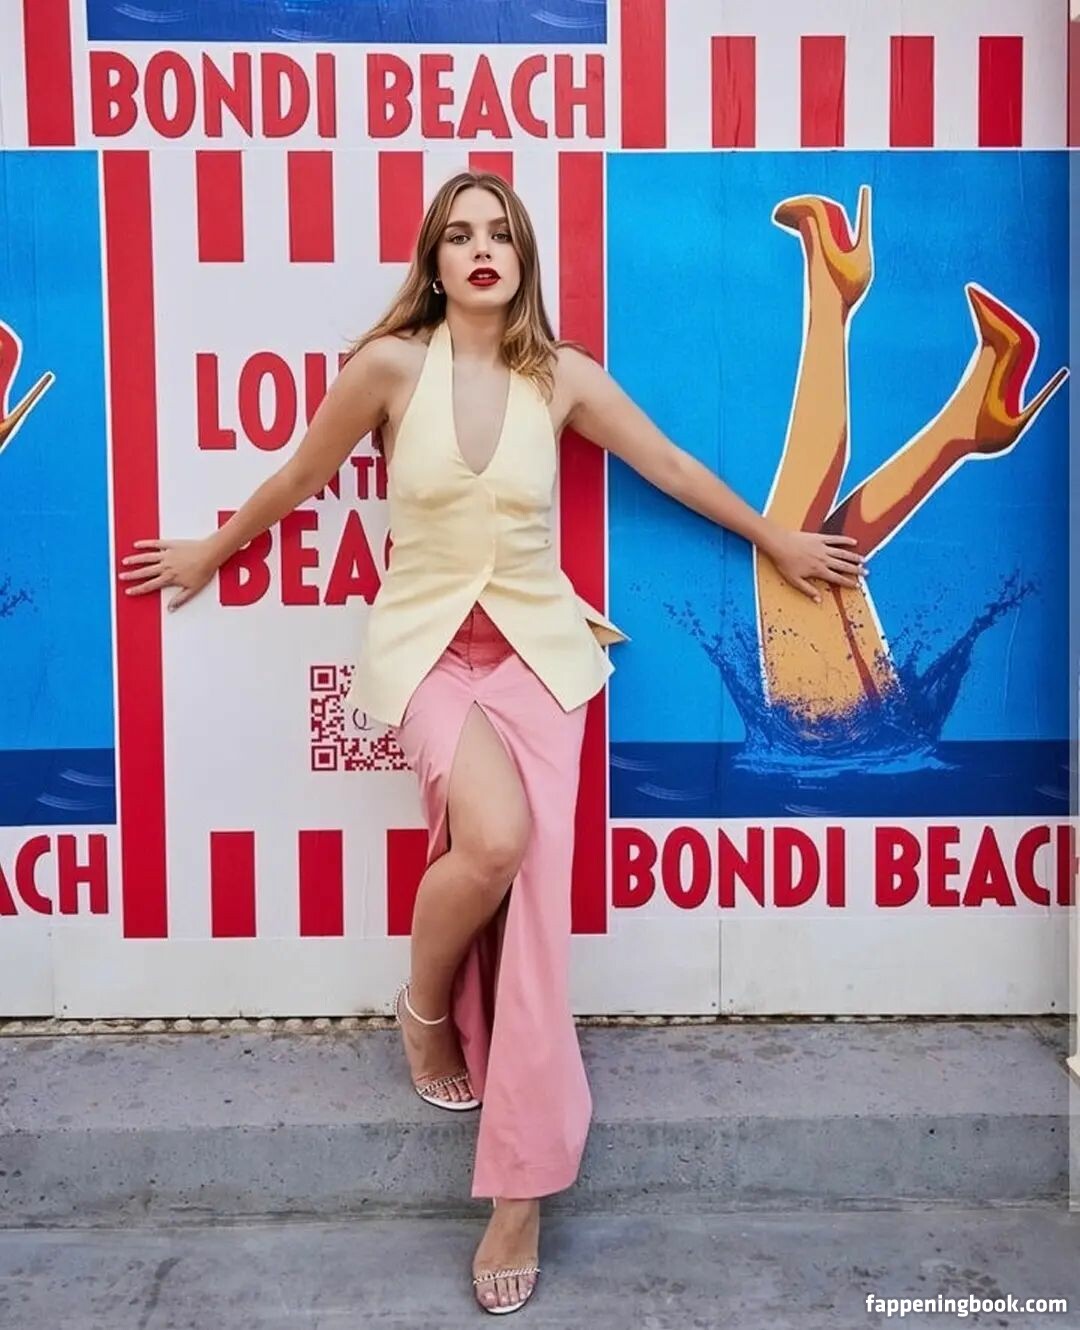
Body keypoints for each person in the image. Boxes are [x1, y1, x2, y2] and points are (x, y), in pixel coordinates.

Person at [117, 170, 864, 1315]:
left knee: (536, 928)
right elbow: (303, 475)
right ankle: (423, 1008)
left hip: (539, 659)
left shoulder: (560, 377)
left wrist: (777, 539)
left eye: (499, 234)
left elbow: (665, 465)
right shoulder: (388, 368)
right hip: (427, 655)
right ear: (433, 260)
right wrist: (212, 551)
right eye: (459, 234)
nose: (481, 249)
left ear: (521, 259)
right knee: (496, 842)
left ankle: (519, 1192)